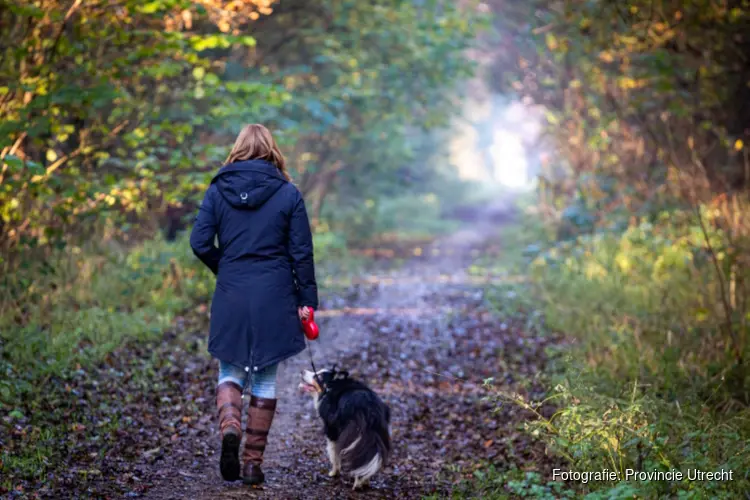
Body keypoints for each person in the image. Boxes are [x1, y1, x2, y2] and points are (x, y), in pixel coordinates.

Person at [189, 124, 318, 485]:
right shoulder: (288, 194)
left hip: (232, 290)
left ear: (237, 149)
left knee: (229, 369)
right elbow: (301, 254)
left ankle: (229, 426)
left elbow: (199, 242)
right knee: (263, 376)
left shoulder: (218, 189)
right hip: (274, 293)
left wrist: (224, 267)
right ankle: (251, 463)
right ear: (272, 150)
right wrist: (307, 299)